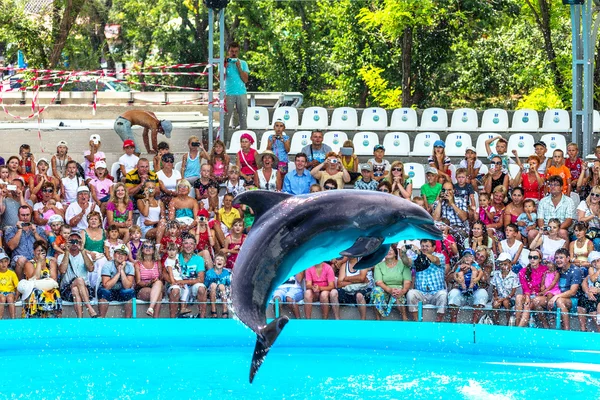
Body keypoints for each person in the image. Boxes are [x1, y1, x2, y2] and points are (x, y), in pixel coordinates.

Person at [405, 239, 448, 322]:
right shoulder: (416, 257)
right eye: (423, 246)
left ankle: (439, 320)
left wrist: (421, 253)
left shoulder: (440, 256)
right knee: (411, 293)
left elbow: (435, 260)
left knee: (443, 294)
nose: (424, 248)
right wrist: (403, 252)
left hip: (436, 292)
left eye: (427, 246)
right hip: (421, 293)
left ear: (434, 247)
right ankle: (417, 321)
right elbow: (406, 262)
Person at [58, 231, 97, 318]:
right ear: (68, 242)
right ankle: (90, 309)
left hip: (84, 289)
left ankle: (80, 319)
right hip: (67, 289)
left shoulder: (86, 256)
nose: (74, 243)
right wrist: (67, 251)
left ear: (80, 242)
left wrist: (82, 250)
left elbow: (91, 269)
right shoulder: (61, 257)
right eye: (72, 241)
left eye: (77, 241)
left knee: (76, 289)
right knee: (79, 280)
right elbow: (62, 271)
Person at [21, 241, 62, 318]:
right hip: (33, 290)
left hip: (49, 290)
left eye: (42, 251)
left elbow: (54, 279)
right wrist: (39, 262)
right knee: (36, 292)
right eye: (38, 251)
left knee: (55, 291)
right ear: (34, 251)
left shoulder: (51, 263)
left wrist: (42, 284)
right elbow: (34, 279)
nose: (40, 253)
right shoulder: (29, 264)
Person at [5, 205, 47, 279]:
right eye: (23, 215)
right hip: (19, 259)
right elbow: (11, 246)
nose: (25, 217)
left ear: (31, 215)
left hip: (36, 258)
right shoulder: (11, 230)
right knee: (22, 259)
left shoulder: (38, 229)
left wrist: (35, 233)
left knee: (51, 260)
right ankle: (21, 286)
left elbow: (45, 245)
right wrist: (19, 230)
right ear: (18, 216)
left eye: (27, 215)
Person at [371, 245, 411, 321]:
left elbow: (407, 281)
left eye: (391, 250)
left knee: (397, 293)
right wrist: (389, 290)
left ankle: (404, 318)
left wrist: (402, 291)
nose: (388, 252)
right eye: (386, 250)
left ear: (396, 253)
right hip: (384, 289)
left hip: (399, 289)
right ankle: (378, 319)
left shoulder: (403, 264)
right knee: (376, 291)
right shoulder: (378, 265)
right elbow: (379, 282)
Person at [547, 248, 583, 330]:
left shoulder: (575, 270)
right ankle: (546, 328)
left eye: (561, 257)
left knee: (560, 301)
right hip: (558, 297)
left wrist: (556, 296)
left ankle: (566, 330)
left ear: (568, 258)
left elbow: (573, 292)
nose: (558, 260)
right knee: (537, 301)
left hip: (573, 300)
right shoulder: (558, 269)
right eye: (556, 258)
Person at [531, 175, 574, 243]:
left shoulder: (569, 201)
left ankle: (564, 253)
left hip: (560, 228)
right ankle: (535, 253)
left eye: (556, 185)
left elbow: (568, 220)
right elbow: (540, 219)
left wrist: (555, 230)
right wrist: (546, 229)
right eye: (551, 185)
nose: (553, 187)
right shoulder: (543, 201)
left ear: (561, 187)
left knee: (562, 232)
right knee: (531, 233)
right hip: (546, 228)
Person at [448, 251, 488, 324]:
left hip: (474, 291)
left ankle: (474, 322)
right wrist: (458, 278)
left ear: (473, 258)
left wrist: (476, 276)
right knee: (453, 293)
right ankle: (453, 322)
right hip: (461, 291)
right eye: (466, 256)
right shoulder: (460, 265)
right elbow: (452, 276)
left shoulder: (476, 265)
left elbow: (483, 276)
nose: (467, 258)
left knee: (482, 293)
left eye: (470, 256)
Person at [97, 244, 135, 318]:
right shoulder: (107, 265)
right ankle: (101, 319)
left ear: (126, 257)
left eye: (123, 254)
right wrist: (118, 273)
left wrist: (122, 271)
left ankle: (128, 320)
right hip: (109, 292)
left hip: (121, 292)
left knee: (129, 292)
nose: (120, 256)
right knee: (104, 291)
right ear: (114, 255)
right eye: (118, 253)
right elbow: (107, 286)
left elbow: (127, 286)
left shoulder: (130, 266)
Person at [330, 256, 373, 321]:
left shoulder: (363, 262)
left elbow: (362, 278)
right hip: (348, 292)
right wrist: (355, 281)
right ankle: (337, 319)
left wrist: (346, 278)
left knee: (359, 295)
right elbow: (339, 284)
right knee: (333, 292)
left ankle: (363, 320)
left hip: (362, 291)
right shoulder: (344, 265)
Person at [223, 41, 249, 141]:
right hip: (228, 93)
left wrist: (239, 67)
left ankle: (244, 143)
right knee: (225, 120)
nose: (234, 53)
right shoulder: (225, 63)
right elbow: (220, 78)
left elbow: (245, 79)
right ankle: (223, 144)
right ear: (228, 52)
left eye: (236, 51)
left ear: (238, 52)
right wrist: (224, 64)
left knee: (243, 119)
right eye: (232, 51)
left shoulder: (243, 63)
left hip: (241, 93)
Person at [177, 234, 208, 318]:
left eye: (191, 244)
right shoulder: (176, 257)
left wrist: (185, 281)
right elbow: (165, 272)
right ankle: (174, 318)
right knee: (175, 290)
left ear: (195, 246)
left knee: (201, 288)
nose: (188, 246)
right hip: (179, 286)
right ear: (182, 245)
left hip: (192, 286)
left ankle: (202, 317)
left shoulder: (199, 259)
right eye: (186, 243)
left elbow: (201, 279)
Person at [515, 249, 547, 327]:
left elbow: (547, 286)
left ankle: (518, 329)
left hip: (542, 296)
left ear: (540, 259)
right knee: (519, 297)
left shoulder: (545, 269)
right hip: (528, 295)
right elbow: (525, 287)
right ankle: (517, 324)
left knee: (528, 304)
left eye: (535, 257)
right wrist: (528, 297)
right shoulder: (523, 271)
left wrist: (536, 295)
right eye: (530, 257)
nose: (532, 259)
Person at [134, 240, 164, 318]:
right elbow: (138, 282)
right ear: (142, 250)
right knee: (158, 294)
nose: (148, 248)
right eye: (145, 246)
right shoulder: (138, 263)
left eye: (150, 247)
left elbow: (161, 279)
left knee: (158, 283)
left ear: (154, 250)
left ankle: (151, 308)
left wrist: (155, 281)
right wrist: (149, 283)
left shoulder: (158, 262)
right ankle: (155, 317)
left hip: (156, 286)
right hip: (143, 288)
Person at [490, 253, 520, 325]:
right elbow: (494, 288)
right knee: (495, 304)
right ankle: (496, 322)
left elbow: (513, 292)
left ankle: (508, 321)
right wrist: (496, 297)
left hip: (509, 298)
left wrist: (504, 299)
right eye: (501, 264)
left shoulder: (514, 276)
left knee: (506, 302)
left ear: (510, 264)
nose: (503, 266)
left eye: (505, 264)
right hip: (499, 297)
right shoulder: (496, 274)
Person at [576, 251, 600, 332]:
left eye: (598, 260)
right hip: (592, 294)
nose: (596, 263)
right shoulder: (591, 269)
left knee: (594, 308)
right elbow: (586, 282)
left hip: (598, 295)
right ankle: (583, 329)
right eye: (594, 261)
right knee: (581, 303)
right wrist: (587, 292)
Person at [205, 252, 232, 318]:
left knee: (221, 286)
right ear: (214, 263)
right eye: (217, 259)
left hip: (223, 292)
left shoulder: (226, 273)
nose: (219, 261)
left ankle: (224, 309)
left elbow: (229, 284)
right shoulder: (209, 273)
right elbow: (206, 285)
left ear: (224, 264)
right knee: (213, 285)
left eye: (221, 260)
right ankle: (213, 310)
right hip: (211, 292)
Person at [577, 186, 600, 251]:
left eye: (597, 195)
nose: (594, 196)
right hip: (585, 231)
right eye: (592, 194)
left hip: (598, 233)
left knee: (597, 242)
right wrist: (593, 215)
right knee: (576, 238)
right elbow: (580, 219)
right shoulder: (584, 203)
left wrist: (598, 216)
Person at [0, 251, 18, 319]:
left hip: (10, 292)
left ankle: (13, 319)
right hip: (0, 293)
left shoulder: (12, 273)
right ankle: (0, 319)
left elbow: (17, 286)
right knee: (2, 298)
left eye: (5, 261)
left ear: (8, 262)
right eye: (1, 262)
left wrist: (16, 297)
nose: (3, 264)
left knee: (10, 298)